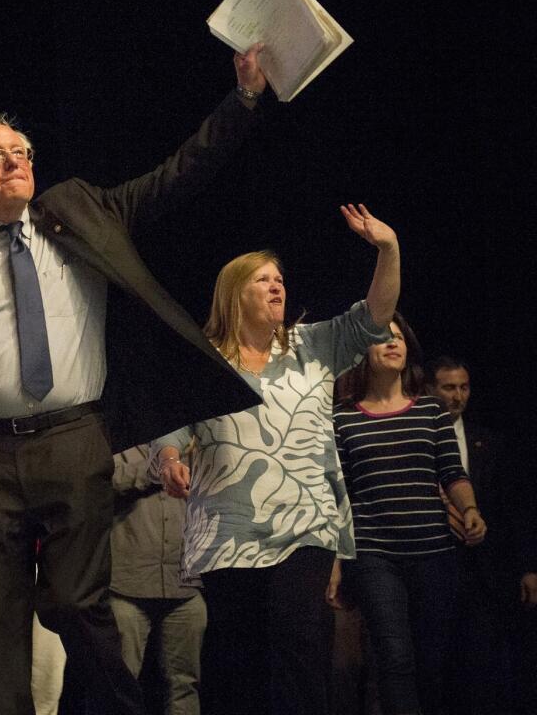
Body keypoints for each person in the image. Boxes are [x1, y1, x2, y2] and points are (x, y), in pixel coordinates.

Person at [0, 46, 270, 715]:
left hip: (76, 438)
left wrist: (244, 101)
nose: (17, 160)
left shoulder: (80, 209)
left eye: (22, 150)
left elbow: (177, 176)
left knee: (71, 603)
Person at [152, 205, 400, 715]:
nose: (276, 286)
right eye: (262, 280)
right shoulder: (206, 358)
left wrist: (388, 249)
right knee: (236, 659)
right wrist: (171, 456)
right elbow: (173, 428)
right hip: (227, 528)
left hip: (302, 521)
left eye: (279, 279)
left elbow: (375, 317)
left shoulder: (313, 345)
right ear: (233, 294)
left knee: (298, 646)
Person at [333, 314, 484, 715]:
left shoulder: (430, 411)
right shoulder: (344, 419)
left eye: (398, 337)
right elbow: (340, 495)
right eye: (382, 338)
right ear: (364, 350)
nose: (392, 343)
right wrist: (336, 561)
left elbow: (452, 472)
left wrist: (469, 509)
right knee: (394, 657)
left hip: (433, 552)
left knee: (431, 659)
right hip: (374, 555)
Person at [425, 356, 535, 713]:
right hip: (434, 563)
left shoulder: (489, 442)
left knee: (483, 663)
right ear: (430, 389)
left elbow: (513, 507)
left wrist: (527, 566)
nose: (458, 396)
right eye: (448, 388)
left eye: (464, 387)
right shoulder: (416, 439)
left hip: (484, 568)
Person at [109, 444, 206, 715]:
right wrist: (158, 468)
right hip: (128, 586)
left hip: (184, 585)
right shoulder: (118, 439)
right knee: (119, 687)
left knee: (184, 685)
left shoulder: (193, 444)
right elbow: (100, 481)